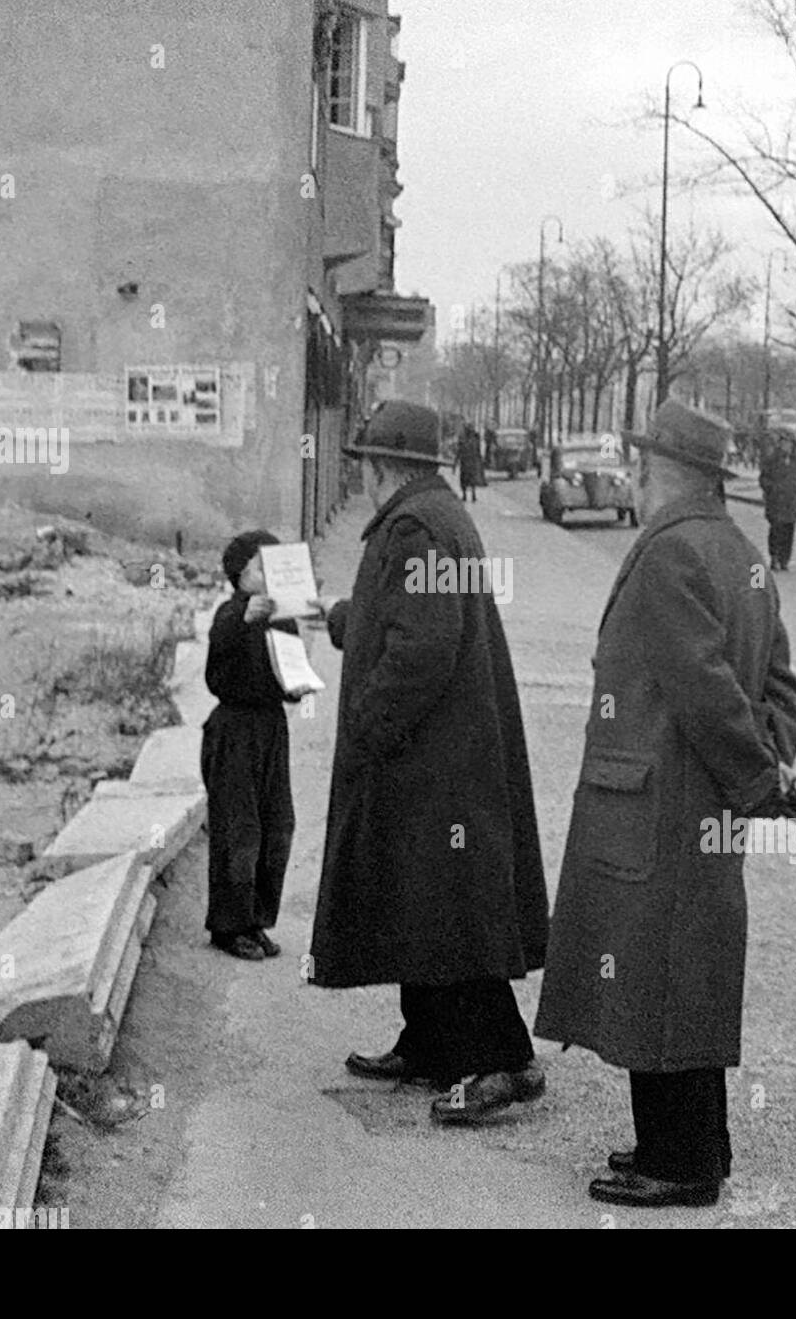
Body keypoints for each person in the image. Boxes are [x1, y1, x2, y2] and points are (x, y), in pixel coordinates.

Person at [533, 400, 796, 1208]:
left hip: (658, 804)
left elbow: (705, 691)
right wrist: (768, 767)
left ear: (662, 472)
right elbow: (780, 688)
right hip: (697, 803)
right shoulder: (736, 551)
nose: (636, 477)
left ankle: (682, 1165)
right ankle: (685, 1145)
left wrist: (757, 780)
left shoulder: (668, 555)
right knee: (686, 974)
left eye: (642, 466)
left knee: (656, 979)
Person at [307, 400, 550, 1124]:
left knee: (450, 906)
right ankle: (431, 1042)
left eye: (365, 466)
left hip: (432, 759)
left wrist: (370, 724)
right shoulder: (438, 516)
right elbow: (403, 617)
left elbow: (423, 646)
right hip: (444, 753)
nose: (364, 478)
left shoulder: (414, 528)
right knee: (422, 899)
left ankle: (505, 1059)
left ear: (383, 468)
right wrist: (342, 616)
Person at [200, 531, 297, 961]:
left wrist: (299, 686)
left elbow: (289, 671)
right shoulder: (230, 614)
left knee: (277, 826)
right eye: (260, 567)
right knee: (239, 830)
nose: (268, 575)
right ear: (240, 575)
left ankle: (256, 920)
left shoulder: (281, 616)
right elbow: (219, 650)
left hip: (271, 729)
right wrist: (244, 617)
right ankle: (227, 926)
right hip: (233, 731)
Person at [758, 432, 796, 571]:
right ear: (779, 444)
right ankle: (774, 556)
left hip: (792, 502)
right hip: (775, 502)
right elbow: (763, 478)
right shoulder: (771, 460)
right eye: (784, 443)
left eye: (789, 443)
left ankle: (785, 558)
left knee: (788, 530)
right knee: (776, 529)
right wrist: (772, 488)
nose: (787, 446)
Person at [455, 422, 487, 503]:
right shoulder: (474, 438)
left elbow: (459, 451)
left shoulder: (467, 438)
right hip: (469, 461)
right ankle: (470, 495)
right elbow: (460, 450)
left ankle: (469, 495)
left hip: (468, 461)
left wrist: (455, 463)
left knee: (466, 479)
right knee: (469, 479)